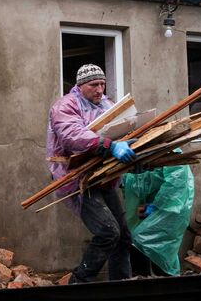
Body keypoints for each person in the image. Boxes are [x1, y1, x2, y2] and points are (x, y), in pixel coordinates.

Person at [46, 64, 136, 284]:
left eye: (102, 84)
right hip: (78, 178)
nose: (99, 89)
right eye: (94, 84)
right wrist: (110, 145)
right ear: (80, 85)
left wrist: (133, 147)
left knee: (123, 237)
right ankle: (78, 281)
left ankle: (121, 284)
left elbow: (125, 126)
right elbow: (71, 135)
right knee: (108, 232)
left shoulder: (107, 104)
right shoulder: (65, 106)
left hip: (104, 177)